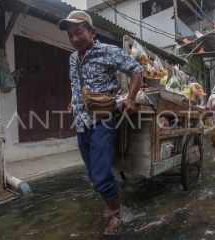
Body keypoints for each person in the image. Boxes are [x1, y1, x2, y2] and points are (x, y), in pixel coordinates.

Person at [58, 11, 143, 236]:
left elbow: (137, 71)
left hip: (103, 120)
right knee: (93, 173)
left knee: (101, 174)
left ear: (92, 32)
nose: (74, 39)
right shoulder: (72, 58)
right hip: (81, 122)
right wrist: (73, 101)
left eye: (78, 33)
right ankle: (112, 206)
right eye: (70, 36)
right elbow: (77, 84)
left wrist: (131, 98)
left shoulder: (109, 51)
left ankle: (116, 216)